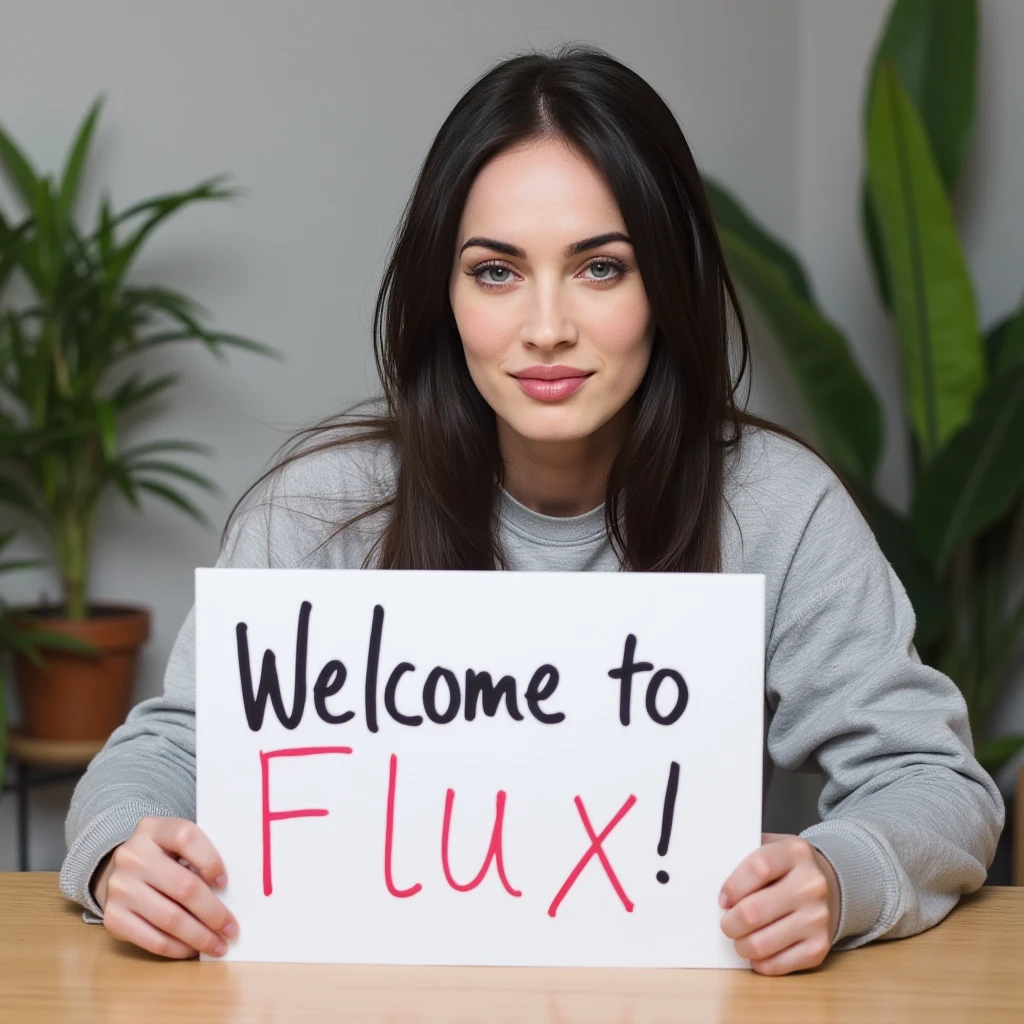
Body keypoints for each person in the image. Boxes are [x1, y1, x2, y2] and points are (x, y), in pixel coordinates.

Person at [59, 43, 1004, 977]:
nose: (546, 326)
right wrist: (118, 854)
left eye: (601, 268)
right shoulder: (317, 511)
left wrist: (840, 878)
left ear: (668, 285)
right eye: (496, 271)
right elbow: (170, 745)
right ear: (446, 293)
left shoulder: (778, 508)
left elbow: (933, 780)